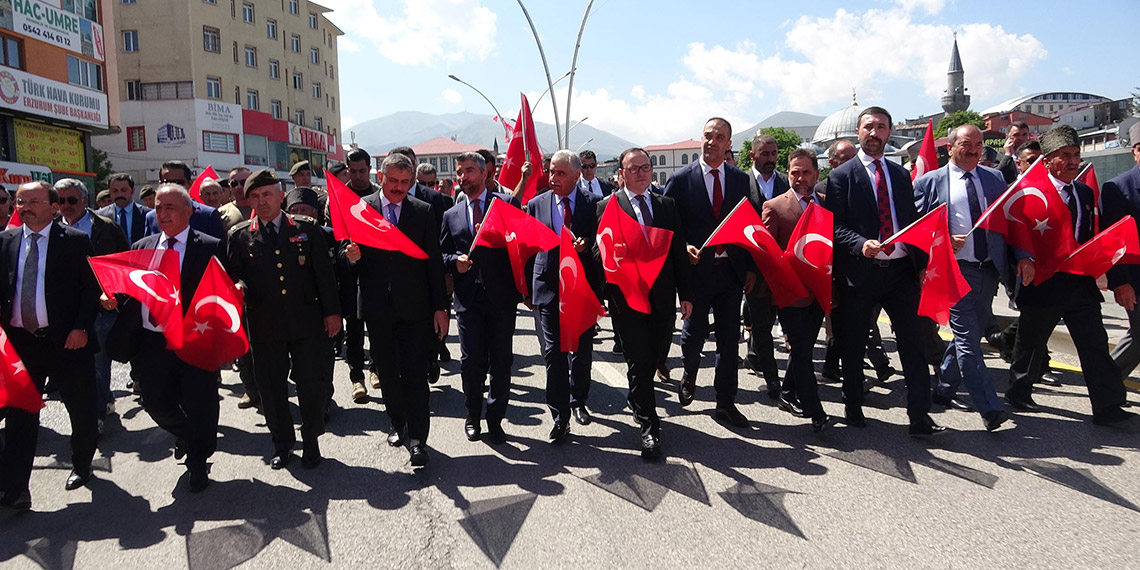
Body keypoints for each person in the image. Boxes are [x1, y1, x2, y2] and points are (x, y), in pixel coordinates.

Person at [825, 106, 943, 436]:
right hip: (861, 272)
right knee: (853, 342)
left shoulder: (901, 175)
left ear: (889, 132)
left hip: (901, 271)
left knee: (913, 343)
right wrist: (859, 243)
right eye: (868, 127)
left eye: (881, 127)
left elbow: (912, 222)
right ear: (858, 133)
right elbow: (834, 227)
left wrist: (921, 264)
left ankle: (920, 416)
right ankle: (853, 405)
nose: (874, 133)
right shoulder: (841, 176)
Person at [1004, 125, 1133, 425]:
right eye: (1065, 155)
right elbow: (1016, 231)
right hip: (1043, 281)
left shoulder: (1085, 193)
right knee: (1031, 343)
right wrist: (1024, 260)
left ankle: (1108, 407)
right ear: (1048, 161)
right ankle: (1017, 390)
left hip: (1079, 283)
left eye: (1076, 155)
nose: (1073, 161)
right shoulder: (1029, 192)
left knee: (1094, 344)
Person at [104, 184, 226, 492]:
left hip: (193, 338)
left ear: (189, 212)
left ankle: (198, 462)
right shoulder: (142, 246)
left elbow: (225, 284)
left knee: (201, 403)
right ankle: (188, 434)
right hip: (152, 341)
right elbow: (126, 288)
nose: (163, 213)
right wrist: (107, 296)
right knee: (155, 402)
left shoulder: (209, 246)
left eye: (170, 207)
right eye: (158, 207)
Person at [225, 169, 342, 469]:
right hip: (265, 327)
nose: (262, 202)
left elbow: (323, 276)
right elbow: (235, 273)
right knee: (272, 389)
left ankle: (312, 440)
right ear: (248, 201)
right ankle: (283, 444)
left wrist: (332, 313)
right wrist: (238, 285)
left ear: (280, 195)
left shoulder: (306, 228)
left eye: (267, 194)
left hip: (306, 322)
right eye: (255, 197)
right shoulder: (239, 236)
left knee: (310, 385)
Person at [0, 181, 100, 509]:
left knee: (80, 409)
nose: (24, 207)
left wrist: (81, 327)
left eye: (32, 201)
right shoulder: (6, 241)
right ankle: (16, 488)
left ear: (52, 206)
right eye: (20, 201)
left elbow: (91, 290)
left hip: (67, 342)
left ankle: (83, 463)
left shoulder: (74, 241)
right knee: (20, 415)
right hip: (20, 345)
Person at [343, 154, 448, 466]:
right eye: (393, 182)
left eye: (405, 182)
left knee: (415, 375)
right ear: (380, 176)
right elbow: (344, 259)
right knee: (388, 373)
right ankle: (398, 422)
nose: (399, 188)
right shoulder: (360, 211)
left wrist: (441, 308)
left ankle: (418, 440)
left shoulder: (423, 212)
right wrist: (350, 257)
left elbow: (433, 263)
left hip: (415, 308)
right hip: (377, 308)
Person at [913, 125, 1011, 431]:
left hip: (988, 269)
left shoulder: (994, 178)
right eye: (967, 144)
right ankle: (989, 407)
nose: (974, 150)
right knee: (969, 340)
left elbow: (1008, 219)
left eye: (979, 145)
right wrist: (941, 236)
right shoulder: (931, 182)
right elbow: (914, 228)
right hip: (954, 270)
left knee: (969, 332)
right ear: (951, 148)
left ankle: (943, 388)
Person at [598, 148, 692, 457]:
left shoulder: (667, 205)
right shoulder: (607, 206)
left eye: (646, 167)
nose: (641, 173)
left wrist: (686, 294)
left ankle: (637, 398)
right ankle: (650, 428)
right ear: (621, 174)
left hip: (662, 297)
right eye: (633, 168)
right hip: (627, 299)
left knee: (655, 356)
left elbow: (678, 251)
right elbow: (599, 253)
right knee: (638, 361)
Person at [664, 117, 756, 427]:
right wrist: (683, 248)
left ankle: (725, 401)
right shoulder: (680, 180)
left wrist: (751, 268)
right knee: (693, 337)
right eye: (707, 135)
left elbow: (750, 226)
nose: (712, 141)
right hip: (695, 274)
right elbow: (667, 227)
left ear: (729, 143)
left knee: (729, 341)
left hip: (730, 273)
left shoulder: (741, 180)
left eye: (719, 137)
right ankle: (689, 371)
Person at [441, 151, 522, 444]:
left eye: (470, 171)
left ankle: (495, 418)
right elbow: (442, 253)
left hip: (501, 298)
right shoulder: (450, 214)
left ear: (485, 173)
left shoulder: (507, 204)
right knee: (471, 361)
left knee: (501, 361)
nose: (464, 177)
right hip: (468, 300)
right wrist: (454, 261)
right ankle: (472, 415)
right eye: (460, 172)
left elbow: (520, 245)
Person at [526, 150, 602, 442]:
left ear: (576, 175)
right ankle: (560, 417)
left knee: (581, 352)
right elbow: (529, 249)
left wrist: (587, 248)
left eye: (560, 173)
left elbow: (602, 247)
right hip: (547, 288)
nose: (553, 178)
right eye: (551, 172)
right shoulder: (537, 204)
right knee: (554, 354)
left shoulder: (593, 204)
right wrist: (527, 290)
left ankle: (579, 400)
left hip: (580, 290)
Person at [760, 149, 833, 432]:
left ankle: (788, 393)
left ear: (816, 174)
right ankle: (817, 412)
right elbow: (767, 251)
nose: (800, 178)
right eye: (794, 172)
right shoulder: (775, 206)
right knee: (802, 352)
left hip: (820, 289)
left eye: (805, 172)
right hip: (790, 293)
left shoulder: (827, 205)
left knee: (802, 349)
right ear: (787, 173)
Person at [55, 179, 129, 431]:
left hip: (100, 309)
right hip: (65, 312)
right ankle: (104, 400)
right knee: (72, 366)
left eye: (72, 200)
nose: (66, 206)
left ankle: (95, 416)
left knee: (98, 363)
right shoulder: (51, 230)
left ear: (85, 201)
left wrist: (115, 297)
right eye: (60, 200)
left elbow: (123, 266)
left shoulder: (106, 228)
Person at [744, 133, 791, 396]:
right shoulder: (741, 184)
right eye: (765, 154)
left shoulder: (787, 183)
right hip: (756, 270)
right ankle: (772, 379)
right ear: (753, 155)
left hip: (783, 268)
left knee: (788, 323)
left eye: (774, 154)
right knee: (761, 325)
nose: (771, 159)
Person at [342, 148, 382, 401]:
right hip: (348, 271)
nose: (357, 176)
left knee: (378, 326)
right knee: (353, 329)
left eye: (362, 171)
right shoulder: (337, 197)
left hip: (376, 271)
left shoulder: (378, 195)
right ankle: (356, 377)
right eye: (352, 171)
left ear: (369, 169)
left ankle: (375, 369)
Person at [1102, 122, 1140, 381]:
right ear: (1134, 152)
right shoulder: (1118, 188)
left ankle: (1107, 384)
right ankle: (1108, 382)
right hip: (1136, 279)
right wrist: (1120, 282)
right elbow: (1112, 243)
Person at [145, 161, 225, 240]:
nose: (172, 187)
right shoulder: (151, 218)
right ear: (160, 184)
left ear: (189, 183)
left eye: (178, 183)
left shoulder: (208, 216)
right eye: (167, 182)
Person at [99, 172, 152, 244]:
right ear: (110, 192)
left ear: (132, 190)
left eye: (124, 190)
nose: (119, 194)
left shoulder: (148, 215)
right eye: (115, 191)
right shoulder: (100, 216)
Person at [218, 166, 252, 232]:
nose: (238, 187)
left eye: (243, 182)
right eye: (234, 183)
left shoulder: (261, 208)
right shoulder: (221, 212)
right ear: (229, 184)